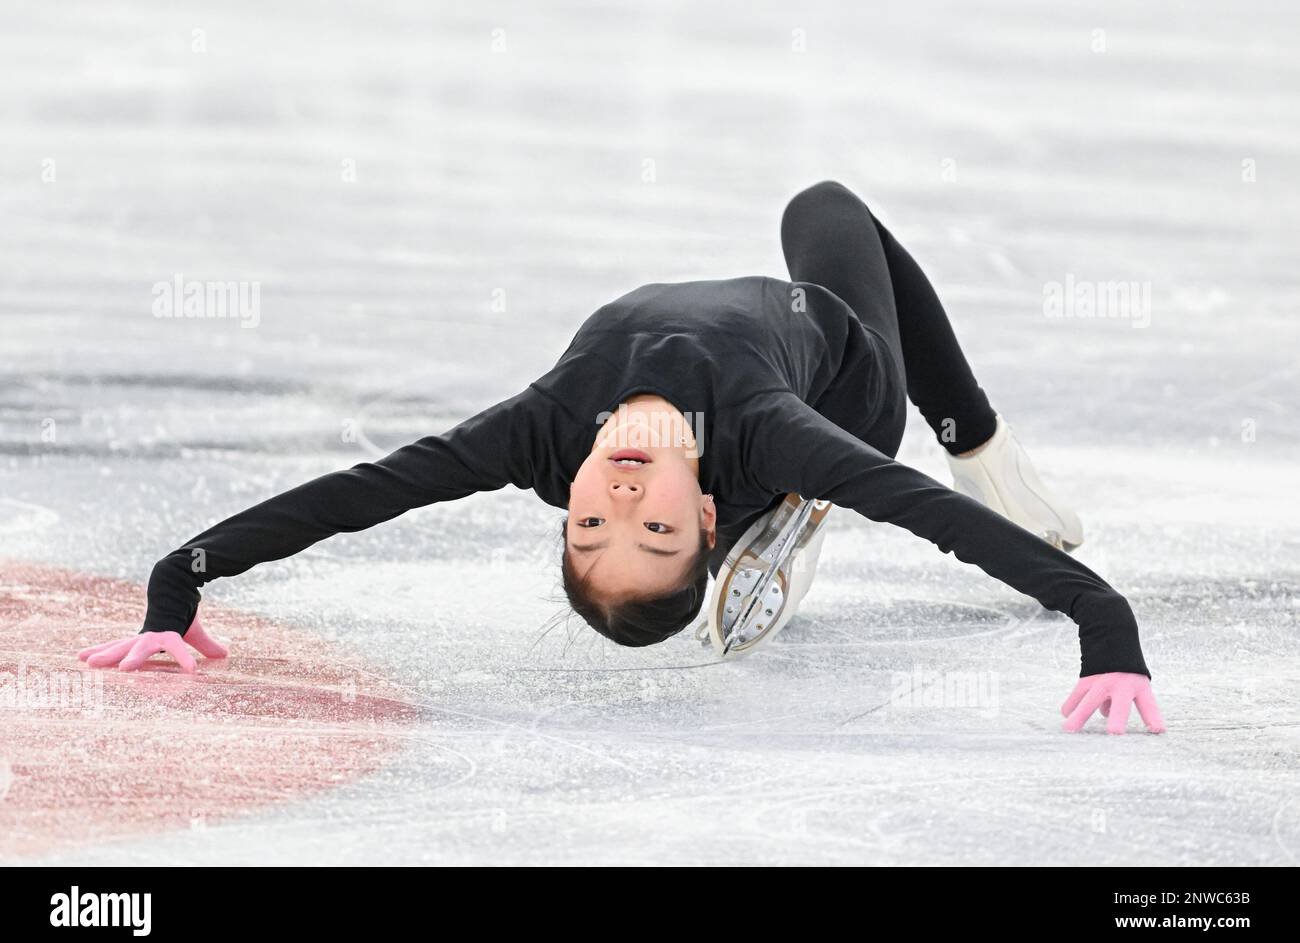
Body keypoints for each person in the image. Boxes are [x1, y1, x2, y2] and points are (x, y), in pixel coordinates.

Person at [77, 181, 1165, 735]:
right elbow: (940, 518)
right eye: (654, 527)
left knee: (816, 209)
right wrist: (1104, 625)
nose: (624, 493)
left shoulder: (541, 431)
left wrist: (179, 583)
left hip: (767, 446)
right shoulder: (764, 426)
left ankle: (775, 523)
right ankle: (953, 438)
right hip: (850, 388)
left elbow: (359, 494)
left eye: (595, 522)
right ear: (694, 515)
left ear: (563, 508)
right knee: (825, 211)